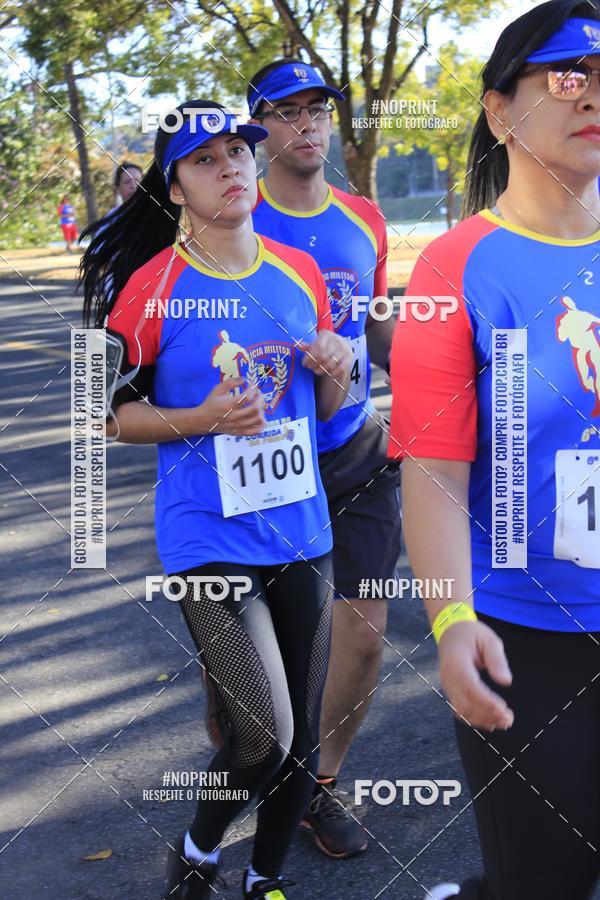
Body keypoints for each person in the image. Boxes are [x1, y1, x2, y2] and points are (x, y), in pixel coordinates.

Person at [79, 99, 352, 900]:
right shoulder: (154, 287)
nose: (230, 165)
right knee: (261, 733)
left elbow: (328, 408)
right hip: (209, 535)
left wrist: (334, 366)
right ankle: (199, 853)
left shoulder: (297, 271)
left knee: (303, 742)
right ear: (175, 186)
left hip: (302, 529)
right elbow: (98, 416)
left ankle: (264, 879)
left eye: (237, 150)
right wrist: (201, 419)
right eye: (205, 159)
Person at [387, 2, 600, 898]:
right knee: (548, 878)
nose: (590, 93)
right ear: (499, 110)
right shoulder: (455, 268)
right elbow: (435, 471)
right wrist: (450, 619)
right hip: (528, 630)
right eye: (566, 75)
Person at [239, 59, 401, 859]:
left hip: (357, 447)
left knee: (365, 636)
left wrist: (452, 382)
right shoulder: (235, 218)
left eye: (318, 110)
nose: (306, 124)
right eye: (286, 111)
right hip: (267, 461)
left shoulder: (364, 218)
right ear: (259, 127)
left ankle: (317, 786)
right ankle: (258, 771)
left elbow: (375, 327)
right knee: (255, 663)